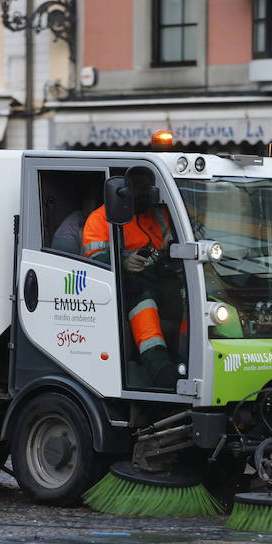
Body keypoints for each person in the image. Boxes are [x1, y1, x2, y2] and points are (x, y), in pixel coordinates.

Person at [82, 167, 177, 389]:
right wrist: (123, 263)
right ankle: (162, 372)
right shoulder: (99, 220)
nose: (145, 193)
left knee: (188, 300)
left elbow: (185, 239)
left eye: (147, 187)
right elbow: (93, 262)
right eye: (138, 188)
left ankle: (186, 359)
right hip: (124, 285)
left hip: (163, 277)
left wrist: (170, 244)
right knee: (143, 301)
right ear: (121, 190)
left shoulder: (160, 215)